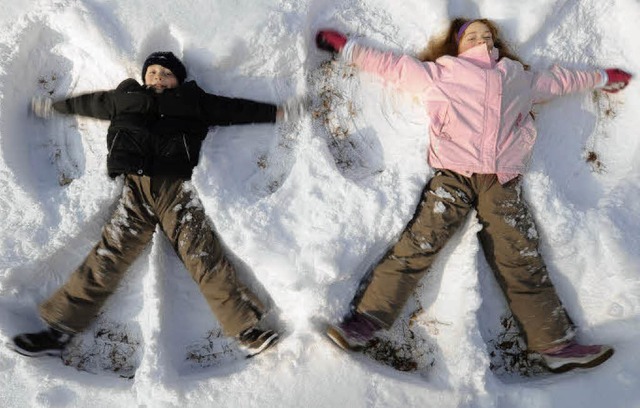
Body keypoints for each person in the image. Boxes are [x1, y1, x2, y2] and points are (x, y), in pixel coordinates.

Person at [316, 18, 632, 373]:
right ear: (458, 44)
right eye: (472, 35)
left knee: (520, 257)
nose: (481, 38)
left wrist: (604, 78)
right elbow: (392, 66)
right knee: (420, 244)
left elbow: (561, 81)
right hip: (454, 177)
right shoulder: (442, 73)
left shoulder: (517, 77)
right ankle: (365, 323)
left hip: (502, 181)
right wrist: (348, 47)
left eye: (487, 34)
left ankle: (554, 344)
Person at [11, 51, 302, 359]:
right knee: (109, 256)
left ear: (179, 78)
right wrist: (54, 107)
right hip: (134, 190)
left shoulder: (193, 101)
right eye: (153, 72)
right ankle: (59, 330)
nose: (159, 77)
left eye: (166, 73)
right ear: (143, 76)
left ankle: (245, 330)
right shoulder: (124, 97)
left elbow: (233, 109)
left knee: (202, 256)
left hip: (176, 192)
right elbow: (88, 103)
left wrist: (276, 112)